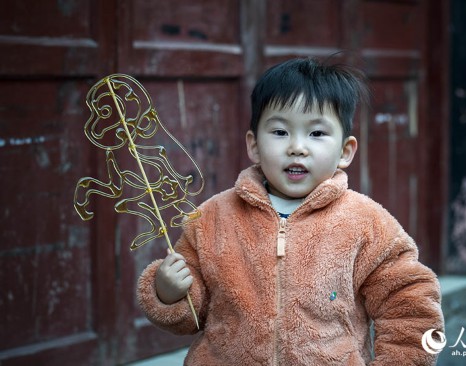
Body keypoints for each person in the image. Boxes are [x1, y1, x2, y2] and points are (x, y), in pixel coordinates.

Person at [137, 57, 444, 365]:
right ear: (254, 145)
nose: (297, 147)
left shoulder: (367, 223)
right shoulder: (212, 218)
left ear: (345, 151)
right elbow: (190, 317)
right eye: (281, 132)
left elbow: (410, 307)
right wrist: (168, 293)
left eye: (317, 133)